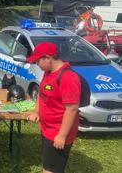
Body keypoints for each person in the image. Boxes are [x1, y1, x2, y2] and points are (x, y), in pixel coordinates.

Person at [27, 42, 80, 173]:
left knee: (50, 170)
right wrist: (36, 111)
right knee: (47, 165)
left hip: (58, 132)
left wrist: (62, 136)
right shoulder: (48, 72)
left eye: (38, 61)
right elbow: (41, 92)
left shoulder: (68, 77)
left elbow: (72, 109)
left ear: (48, 58)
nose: (37, 65)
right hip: (47, 130)